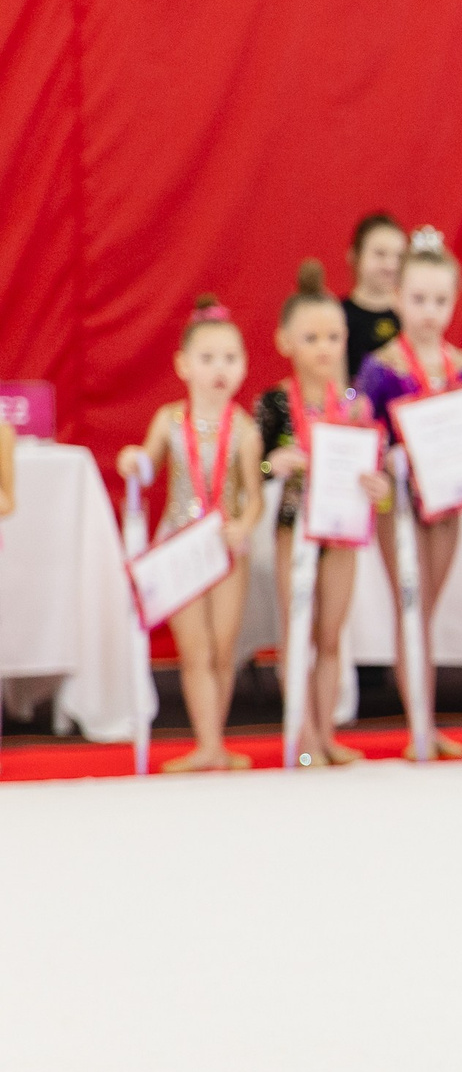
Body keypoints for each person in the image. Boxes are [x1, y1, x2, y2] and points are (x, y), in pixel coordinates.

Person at [113, 298, 262, 771]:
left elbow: (254, 495)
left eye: (230, 359)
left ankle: (215, 742)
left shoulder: (244, 427)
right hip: (179, 543)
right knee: (194, 650)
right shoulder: (169, 420)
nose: (220, 369)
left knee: (224, 648)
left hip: (224, 547)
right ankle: (207, 744)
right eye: (208, 358)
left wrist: (244, 524)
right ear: (183, 366)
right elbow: (148, 465)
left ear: (243, 366)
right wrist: (132, 460)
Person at [256, 260, 390, 767]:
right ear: (285, 341)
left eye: (333, 337)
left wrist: (378, 488)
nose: (324, 348)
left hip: (342, 529)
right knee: (299, 631)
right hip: (295, 526)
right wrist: (275, 462)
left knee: (331, 635)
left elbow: (375, 479)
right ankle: (303, 732)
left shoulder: (355, 407)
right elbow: (252, 469)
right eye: (311, 337)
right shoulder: (274, 405)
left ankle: (327, 730)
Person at [354, 226, 462, 760]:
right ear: (399, 298)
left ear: (454, 302)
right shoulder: (382, 368)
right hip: (399, 506)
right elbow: (361, 431)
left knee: (426, 610)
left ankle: (426, 721)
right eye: (419, 299)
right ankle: (418, 725)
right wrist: (378, 462)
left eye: (440, 301)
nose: (430, 311)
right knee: (412, 607)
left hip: (447, 503)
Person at [341, 211, 406, 383]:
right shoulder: (336, 315)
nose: (391, 265)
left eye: (399, 256)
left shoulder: (411, 314)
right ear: (354, 256)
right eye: (380, 254)